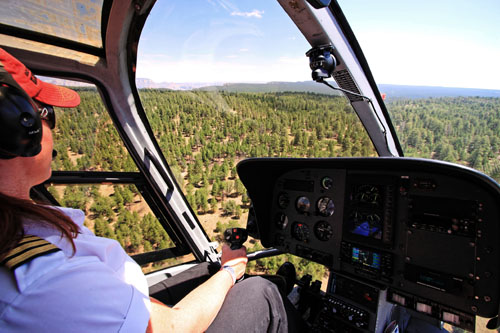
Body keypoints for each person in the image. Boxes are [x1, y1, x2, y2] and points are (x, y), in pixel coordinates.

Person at [0, 47, 291, 332]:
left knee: (208, 270)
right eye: (47, 114)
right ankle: (285, 298)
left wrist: (221, 272)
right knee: (261, 294)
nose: (53, 127)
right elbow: (174, 327)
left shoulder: (22, 229)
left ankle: (282, 287)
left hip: (115, 303)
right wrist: (231, 272)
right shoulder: (41, 280)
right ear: (17, 126)